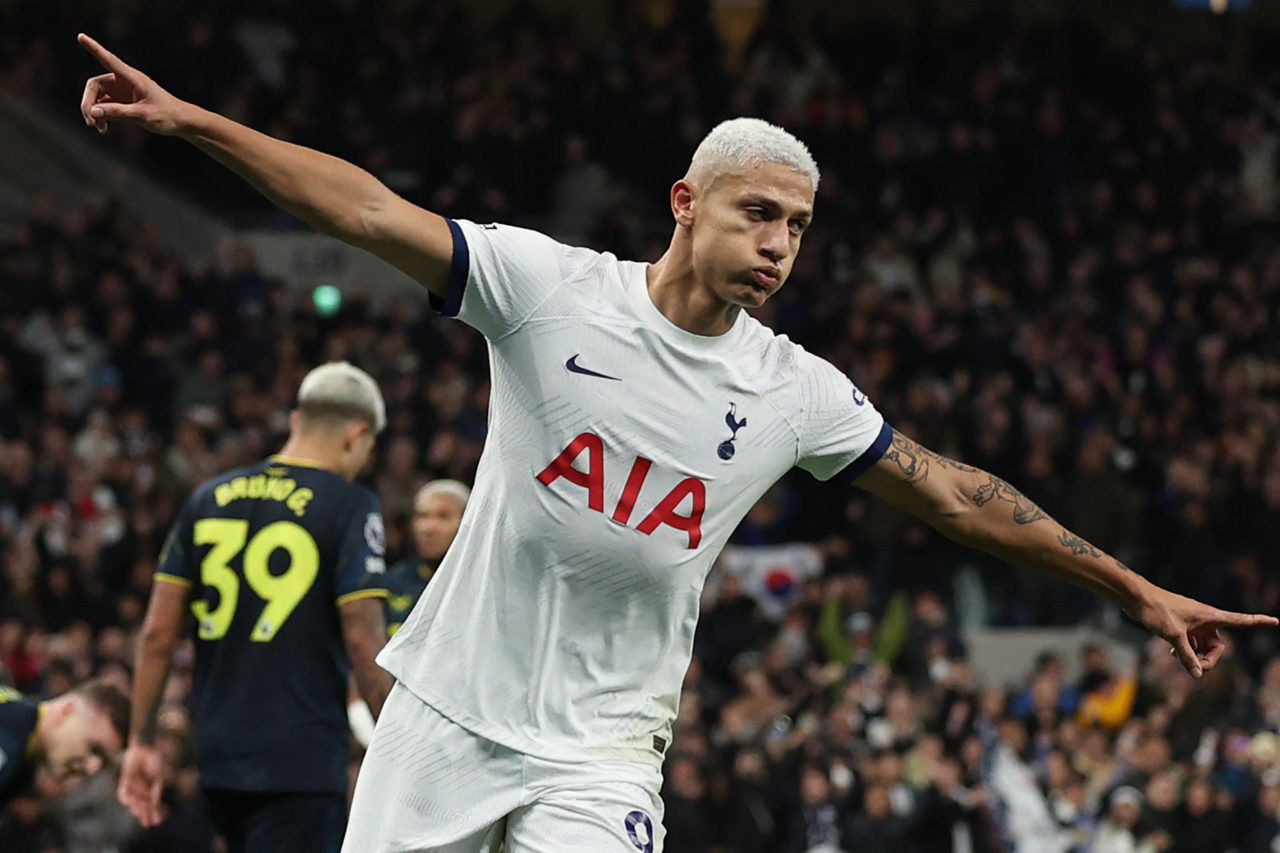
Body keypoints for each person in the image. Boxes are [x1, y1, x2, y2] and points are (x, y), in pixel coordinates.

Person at [76, 34, 1277, 853]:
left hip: (603, 750)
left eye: (797, 227)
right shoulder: (547, 291)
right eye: (757, 212)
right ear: (682, 202)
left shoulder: (794, 390)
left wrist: (1128, 588)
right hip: (442, 712)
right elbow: (364, 208)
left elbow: (955, 496)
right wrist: (189, 121)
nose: (778, 244)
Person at [117, 361, 393, 853]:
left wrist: (141, 741)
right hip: (301, 762)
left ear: (295, 422)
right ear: (357, 435)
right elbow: (362, 637)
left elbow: (158, 633)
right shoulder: (351, 505)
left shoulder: (208, 498)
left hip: (219, 759)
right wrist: (400, 743)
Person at [0, 679, 130, 808]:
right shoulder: (7, 743)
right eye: (94, 748)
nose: (92, 767)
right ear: (67, 710)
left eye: (104, 762)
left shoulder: (25, 759)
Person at [383, 479, 470, 637]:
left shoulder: (483, 586)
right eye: (422, 516)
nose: (428, 527)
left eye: (443, 516)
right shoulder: (392, 583)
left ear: (468, 522)